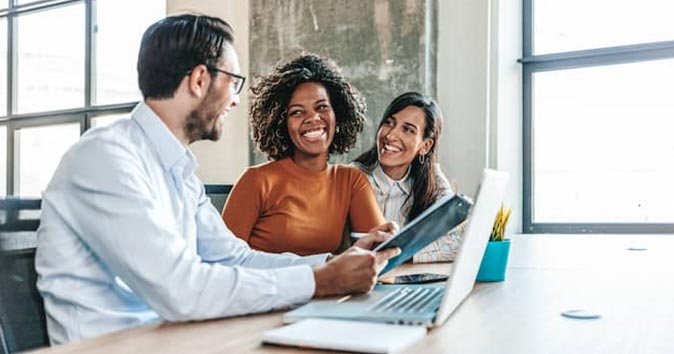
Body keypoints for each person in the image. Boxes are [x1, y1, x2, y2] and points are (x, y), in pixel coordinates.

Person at [35, 14, 399, 345]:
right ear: (199, 79)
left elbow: (233, 257)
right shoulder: (105, 157)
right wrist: (320, 282)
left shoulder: (177, 169)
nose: (236, 101)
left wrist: (332, 263)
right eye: (234, 82)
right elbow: (181, 289)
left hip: (175, 338)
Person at [222, 53, 387, 255]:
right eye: (297, 112)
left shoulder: (350, 181)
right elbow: (223, 262)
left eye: (322, 107)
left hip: (328, 286)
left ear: (338, 114)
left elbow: (381, 259)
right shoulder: (256, 181)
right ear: (282, 124)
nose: (313, 118)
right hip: (268, 286)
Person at [354, 92, 462, 263]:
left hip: (404, 281)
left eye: (408, 130)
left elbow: (456, 242)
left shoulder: (431, 180)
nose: (390, 135)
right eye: (389, 123)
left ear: (425, 146)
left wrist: (397, 253)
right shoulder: (353, 177)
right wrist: (412, 248)